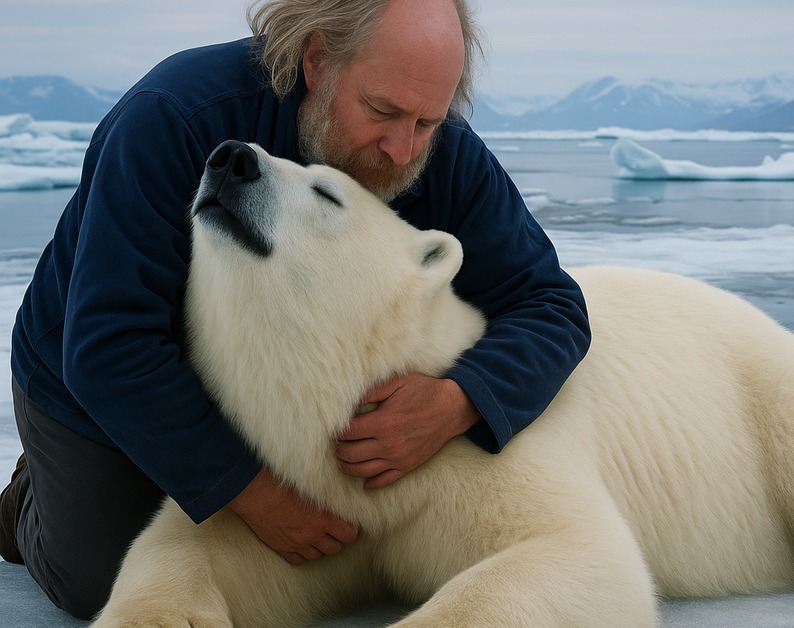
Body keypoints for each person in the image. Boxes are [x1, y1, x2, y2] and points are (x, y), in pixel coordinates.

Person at [0, 0, 591, 619]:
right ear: (317, 59)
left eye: (428, 121)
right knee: (110, 578)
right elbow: (110, 344)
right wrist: (255, 494)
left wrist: (458, 400)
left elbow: (550, 303)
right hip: (93, 381)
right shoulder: (175, 118)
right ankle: (28, 501)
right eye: (382, 111)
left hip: (270, 397)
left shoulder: (439, 152)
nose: (401, 148)